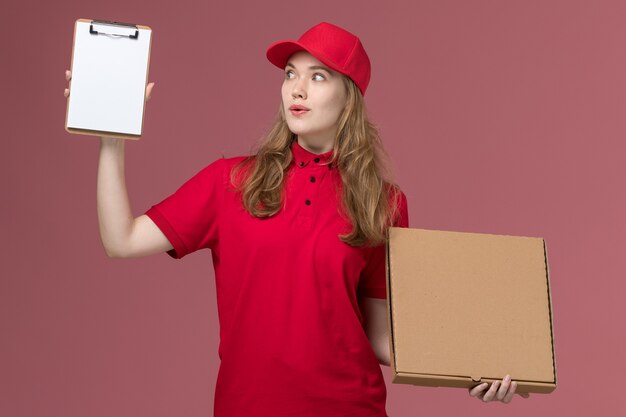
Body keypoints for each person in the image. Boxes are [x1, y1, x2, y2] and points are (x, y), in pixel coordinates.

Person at [65, 22, 528, 416]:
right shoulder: (231, 181)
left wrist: (470, 366)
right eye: (290, 75)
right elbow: (120, 240)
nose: (297, 89)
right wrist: (111, 142)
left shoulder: (383, 203)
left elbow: (379, 335)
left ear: (350, 98)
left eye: (318, 76)